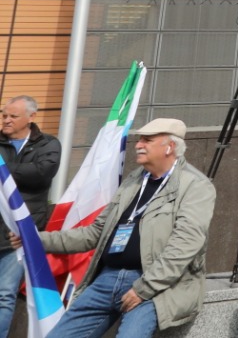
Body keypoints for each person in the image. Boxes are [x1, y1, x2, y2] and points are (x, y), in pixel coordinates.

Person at [34, 119, 215, 338]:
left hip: (156, 286)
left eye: (147, 140)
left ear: (170, 147)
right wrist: (36, 240)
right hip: (107, 278)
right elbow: (94, 234)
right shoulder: (134, 180)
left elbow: (184, 247)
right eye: (140, 139)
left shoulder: (196, 186)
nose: (139, 145)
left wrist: (144, 288)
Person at [0, 96, 61, 338]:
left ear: (31, 117)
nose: (6, 120)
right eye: (4, 115)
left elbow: (41, 173)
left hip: (19, 234)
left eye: (13, 116)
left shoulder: (47, 144)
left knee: (4, 294)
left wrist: (3, 170)